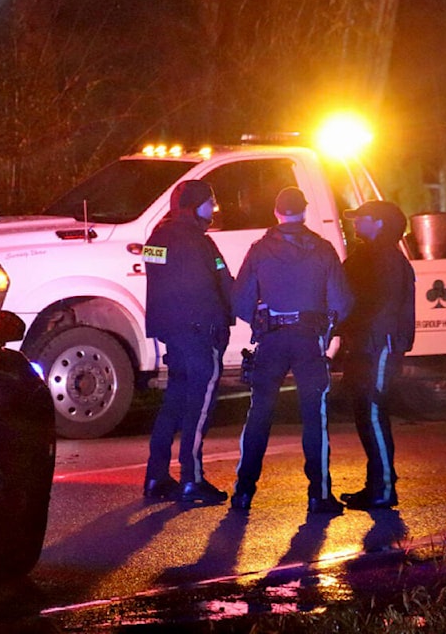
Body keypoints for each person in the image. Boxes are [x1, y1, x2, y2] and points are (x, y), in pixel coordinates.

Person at [230, 186, 353, 514]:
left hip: (271, 340)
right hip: (309, 339)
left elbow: (240, 301)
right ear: (305, 210)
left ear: (276, 211)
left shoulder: (259, 250)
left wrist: (261, 319)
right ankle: (319, 495)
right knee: (315, 416)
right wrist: (328, 330)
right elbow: (343, 302)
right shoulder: (323, 249)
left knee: (259, 413)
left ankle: (243, 492)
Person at [142, 179, 234, 505]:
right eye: (210, 203)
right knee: (200, 405)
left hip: (173, 336)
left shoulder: (156, 239)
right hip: (200, 334)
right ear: (196, 206)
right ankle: (192, 479)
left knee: (174, 402)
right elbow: (221, 285)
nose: (213, 209)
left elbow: (157, 279)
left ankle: (156, 476)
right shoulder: (200, 244)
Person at [337, 200, 415, 510]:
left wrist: (341, 326)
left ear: (379, 223)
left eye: (361, 218)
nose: (355, 222)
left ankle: (383, 489)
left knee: (372, 413)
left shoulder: (383, 259)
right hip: (367, 344)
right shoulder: (372, 256)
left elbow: (370, 303)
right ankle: (376, 485)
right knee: (366, 414)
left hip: (379, 344)